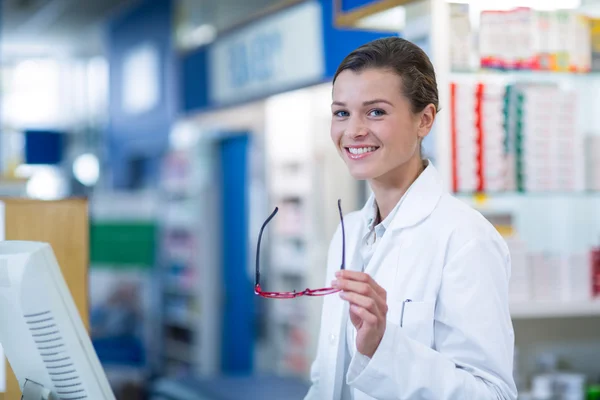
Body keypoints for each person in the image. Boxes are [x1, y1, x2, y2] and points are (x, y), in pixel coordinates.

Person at [304, 37, 517, 400]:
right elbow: (328, 379)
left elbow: (492, 394)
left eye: (375, 112)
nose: (353, 130)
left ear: (425, 119)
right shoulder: (348, 231)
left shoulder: (465, 239)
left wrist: (383, 348)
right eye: (341, 112)